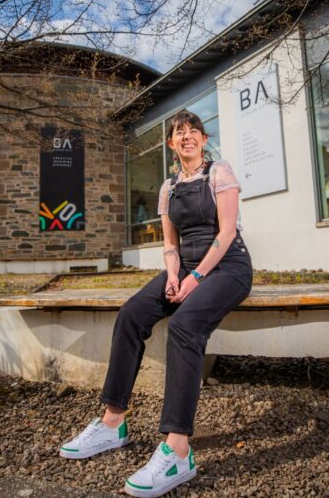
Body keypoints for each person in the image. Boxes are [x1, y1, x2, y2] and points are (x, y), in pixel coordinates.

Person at [59, 109, 253, 497]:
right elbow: (170, 244)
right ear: (170, 143)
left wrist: (195, 279)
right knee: (132, 314)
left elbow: (228, 232)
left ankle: (178, 449)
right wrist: (174, 274)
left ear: (203, 139)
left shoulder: (219, 172)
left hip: (227, 267)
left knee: (184, 326)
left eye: (193, 131)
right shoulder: (168, 188)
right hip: (187, 267)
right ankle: (113, 423)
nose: (187, 137)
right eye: (179, 132)